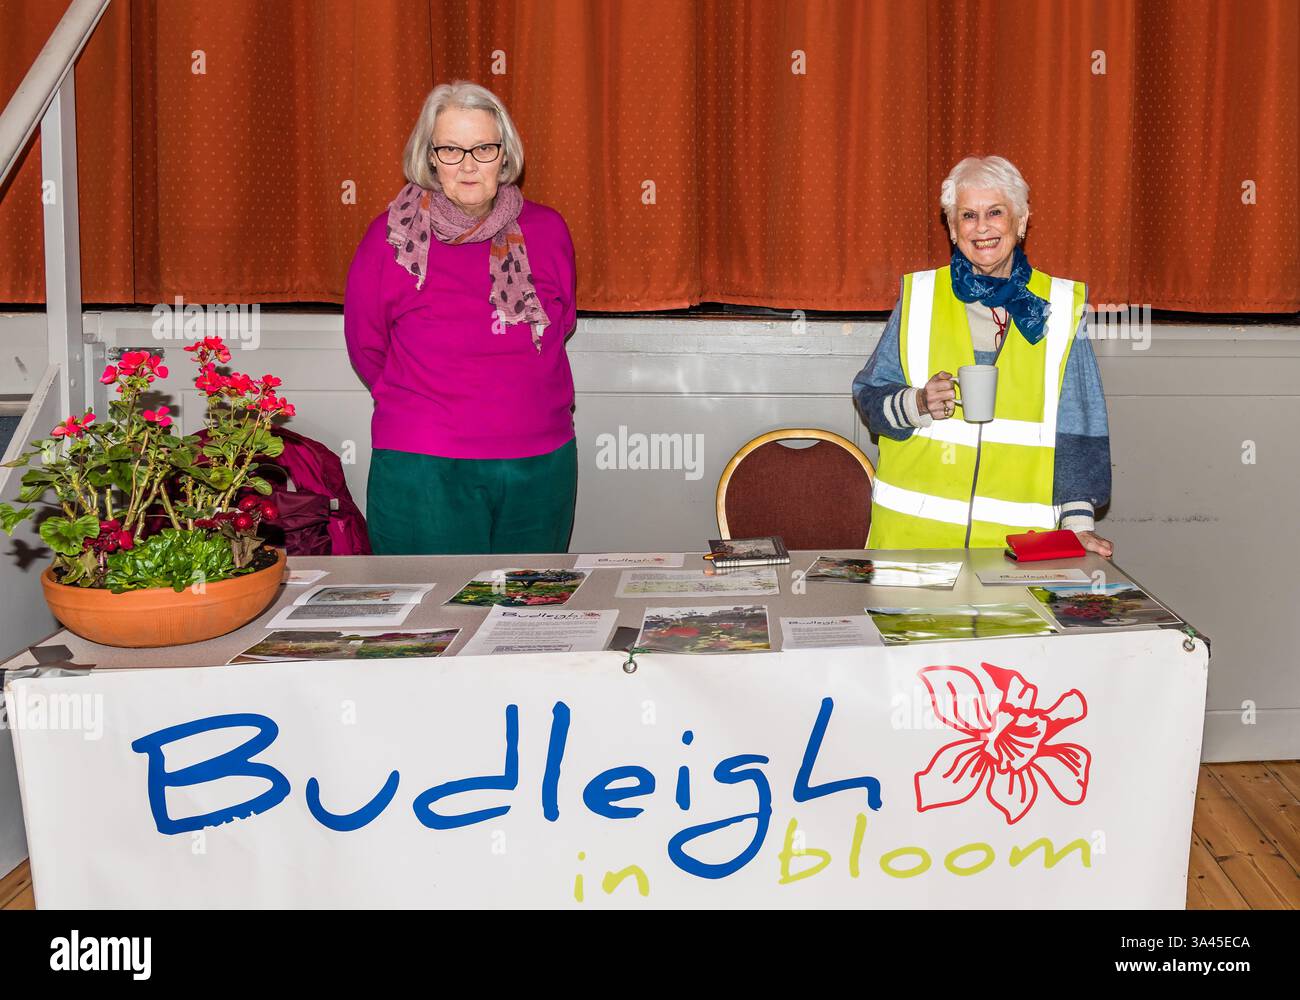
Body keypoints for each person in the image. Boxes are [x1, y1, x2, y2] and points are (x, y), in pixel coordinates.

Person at [344, 81, 578, 554]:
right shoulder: (389, 238)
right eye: (451, 149)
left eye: (483, 148)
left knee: (526, 619)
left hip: (540, 464)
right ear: (430, 157)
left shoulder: (548, 231)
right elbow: (366, 346)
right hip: (422, 465)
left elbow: (562, 322)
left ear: (504, 155)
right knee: (431, 619)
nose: (468, 164)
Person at [852, 155, 1114, 555]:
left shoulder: (1061, 305)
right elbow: (870, 398)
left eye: (995, 212)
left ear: (1021, 222)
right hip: (912, 545)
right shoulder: (921, 296)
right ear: (953, 229)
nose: (982, 227)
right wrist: (917, 403)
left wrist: (1077, 525)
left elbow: (1078, 424)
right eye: (968, 215)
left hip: (1018, 549)